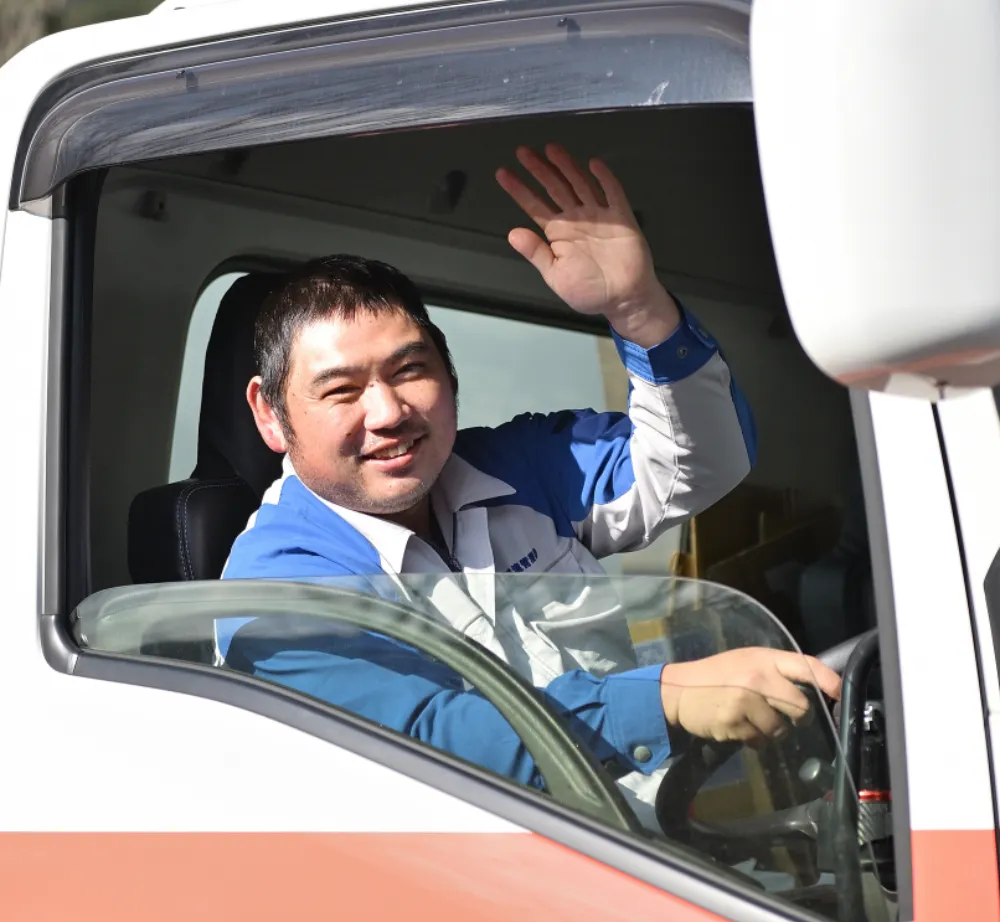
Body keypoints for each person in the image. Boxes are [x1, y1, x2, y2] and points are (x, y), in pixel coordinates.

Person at [218, 144, 840, 806]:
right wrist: (669, 699)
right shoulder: (275, 586)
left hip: (647, 835)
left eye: (410, 370)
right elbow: (425, 742)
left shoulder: (519, 466)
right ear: (270, 415)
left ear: (449, 374)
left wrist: (639, 313)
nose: (390, 413)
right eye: (342, 390)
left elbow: (702, 465)